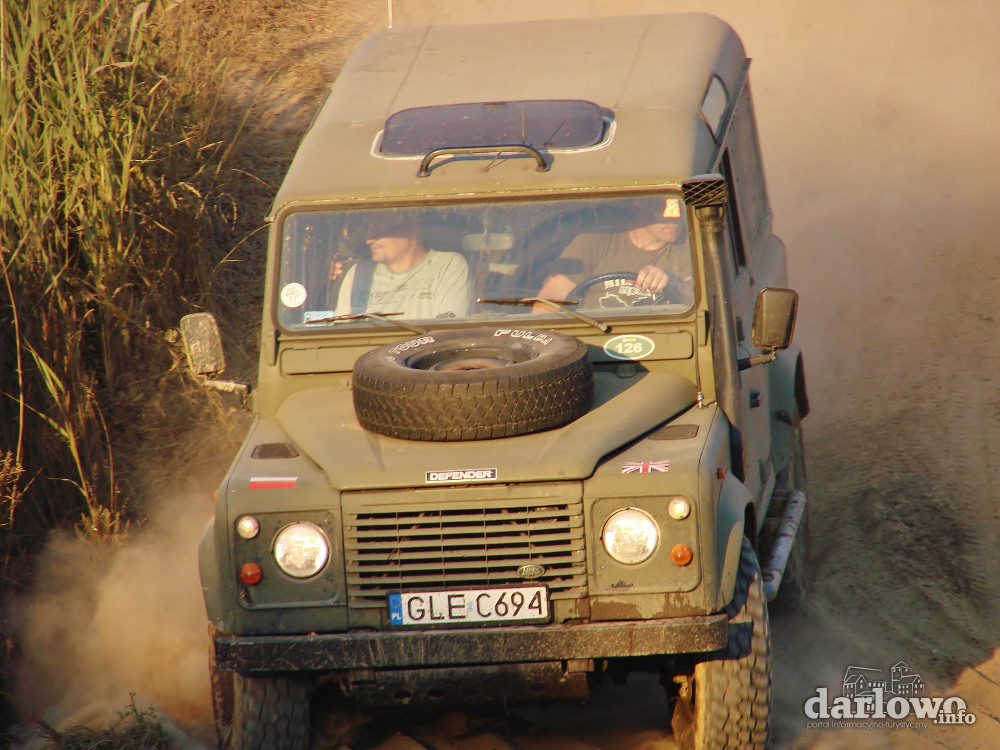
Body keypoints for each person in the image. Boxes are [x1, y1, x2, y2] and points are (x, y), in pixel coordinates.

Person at [534, 197, 693, 309]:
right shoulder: (593, 242)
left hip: (663, 338)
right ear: (639, 205)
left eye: (679, 207)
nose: (675, 216)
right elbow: (551, 300)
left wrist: (672, 282)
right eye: (665, 207)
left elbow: (698, 298)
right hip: (593, 335)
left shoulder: (690, 247)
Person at [332, 215, 470, 319]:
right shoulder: (358, 274)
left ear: (412, 229)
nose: (369, 240)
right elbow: (341, 333)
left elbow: (444, 333)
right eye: (369, 230)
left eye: (379, 229)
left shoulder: (447, 266)